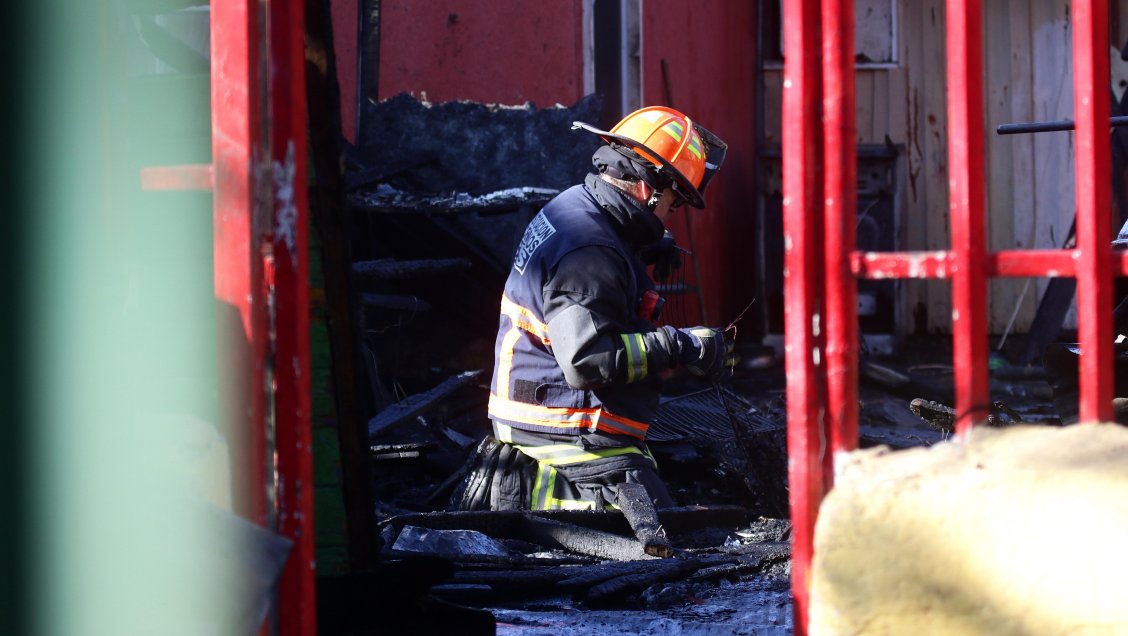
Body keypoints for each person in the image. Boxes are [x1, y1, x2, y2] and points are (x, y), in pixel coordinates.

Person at [454, 106, 734, 512]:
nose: (670, 218)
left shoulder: (577, 206)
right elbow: (587, 359)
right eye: (673, 205)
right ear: (648, 190)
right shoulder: (591, 251)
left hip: (536, 408)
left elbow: (584, 286)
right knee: (659, 526)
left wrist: (644, 245)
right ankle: (537, 498)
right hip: (558, 428)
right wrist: (682, 346)